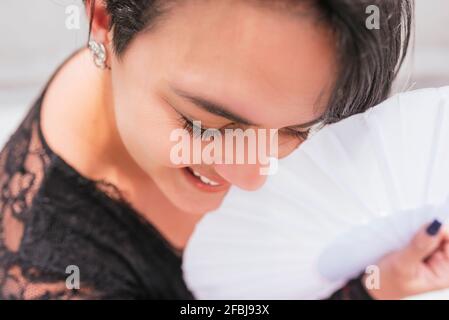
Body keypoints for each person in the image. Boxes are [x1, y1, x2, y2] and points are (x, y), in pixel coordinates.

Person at [2, 0, 448, 300]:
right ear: (102, 18)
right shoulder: (52, 274)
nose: (254, 176)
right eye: (206, 124)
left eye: (299, 128)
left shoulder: (153, 71)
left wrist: (378, 281)